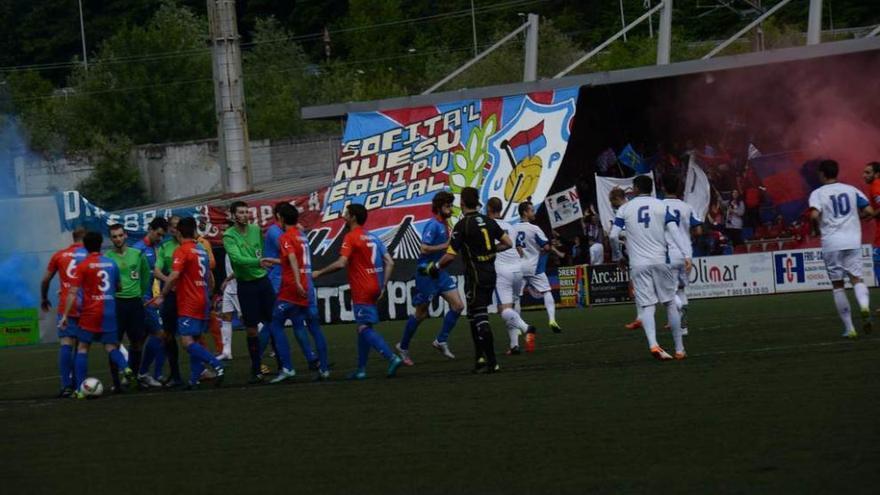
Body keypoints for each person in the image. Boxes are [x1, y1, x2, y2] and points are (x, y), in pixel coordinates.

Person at [313, 204, 403, 379]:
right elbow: (390, 262)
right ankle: (361, 369)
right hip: (375, 286)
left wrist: (319, 272)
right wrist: (383, 286)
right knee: (363, 327)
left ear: (353, 217)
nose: (343, 217)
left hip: (362, 288)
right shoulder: (373, 237)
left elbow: (341, 263)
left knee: (363, 327)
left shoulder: (351, 237)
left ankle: (392, 357)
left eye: (346, 214)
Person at [609, 175, 692, 360]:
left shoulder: (624, 208)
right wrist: (686, 254)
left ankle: (654, 344)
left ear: (636, 189)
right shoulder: (662, 205)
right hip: (661, 260)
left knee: (647, 306)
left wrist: (617, 256)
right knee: (670, 303)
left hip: (638, 264)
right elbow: (674, 231)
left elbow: (613, 235)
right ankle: (679, 349)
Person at [434, 187, 512, 373]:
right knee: (473, 315)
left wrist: (435, 267)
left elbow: (450, 255)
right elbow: (508, 243)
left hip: (475, 276)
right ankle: (479, 358)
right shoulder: (489, 221)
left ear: (462, 204)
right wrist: (492, 251)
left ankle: (492, 362)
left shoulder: (463, 225)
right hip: (490, 274)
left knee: (480, 317)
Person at [151, 217, 225, 388]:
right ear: (193, 231)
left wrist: (162, 294)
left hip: (189, 301)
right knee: (196, 338)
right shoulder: (200, 250)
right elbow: (209, 278)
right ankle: (193, 379)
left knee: (187, 342)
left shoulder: (182, 250)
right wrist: (208, 295)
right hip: (203, 299)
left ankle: (217, 365)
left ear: (178, 231)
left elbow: (174, 276)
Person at [58, 231, 134, 398]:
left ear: (85, 246)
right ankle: (125, 367)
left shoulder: (83, 265)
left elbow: (72, 292)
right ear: (101, 244)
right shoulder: (111, 263)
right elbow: (119, 288)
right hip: (109, 310)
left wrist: (64, 315)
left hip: (90, 312)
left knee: (83, 348)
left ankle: (79, 390)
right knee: (111, 346)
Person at [396, 191, 463, 365]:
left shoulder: (445, 224)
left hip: (439, 272)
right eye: (447, 206)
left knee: (458, 306)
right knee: (421, 313)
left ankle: (441, 340)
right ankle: (403, 347)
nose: (450, 209)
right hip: (426, 273)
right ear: (440, 207)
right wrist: (445, 245)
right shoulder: (432, 225)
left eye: (450, 205)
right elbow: (423, 249)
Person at [809, 160, 873, 337]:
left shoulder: (817, 193)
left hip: (831, 242)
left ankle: (850, 328)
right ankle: (864, 306)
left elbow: (814, 215)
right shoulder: (852, 190)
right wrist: (853, 218)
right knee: (857, 279)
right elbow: (868, 210)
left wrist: (815, 230)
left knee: (838, 285)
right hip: (852, 240)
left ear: (822, 173)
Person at [267, 203, 331, 382]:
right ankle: (324, 368)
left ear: (279, 217)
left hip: (292, 288)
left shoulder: (285, 237)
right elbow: (293, 259)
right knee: (313, 327)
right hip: (308, 286)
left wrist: (296, 281)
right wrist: (273, 260)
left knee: (275, 323)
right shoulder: (302, 236)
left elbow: (293, 259)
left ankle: (287, 367)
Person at [223, 201, 277, 384]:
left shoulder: (256, 230)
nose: (245, 215)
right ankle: (256, 369)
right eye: (241, 212)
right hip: (246, 286)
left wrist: (263, 265)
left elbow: (262, 252)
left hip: (263, 281)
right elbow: (237, 259)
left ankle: (282, 364)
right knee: (252, 329)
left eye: (247, 212)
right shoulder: (228, 235)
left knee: (273, 323)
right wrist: (258, 263)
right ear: (233, 215)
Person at [264, 202, 316, 369]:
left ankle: (310, 358)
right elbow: (290, 256)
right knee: (272, 322)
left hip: (288, 280)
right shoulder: (275, 232)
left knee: (295, 321)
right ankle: (258, 361)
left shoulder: (288, 233)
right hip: (276, 280)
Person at [40, 226, 88, 398]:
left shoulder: (59, 255)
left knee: (66, 344)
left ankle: (66, 385)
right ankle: (79, 384)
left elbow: (45, 279)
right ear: (86, 238)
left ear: (73, 238)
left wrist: (44, 298)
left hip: (66, 305)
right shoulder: (90, 255)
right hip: (86, 305)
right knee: (81, 346)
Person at [486, 197, 536, 354]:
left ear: (489, 208)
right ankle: (514, 345)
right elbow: (517, 248)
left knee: (504, 309)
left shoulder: (488, 226)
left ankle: (526, 328)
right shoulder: (510, 226)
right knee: (514, 304)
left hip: (502, 271)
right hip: (517, 269)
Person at [105, 224, 151, 393]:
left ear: (125, 235)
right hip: (117, 304)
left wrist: (139, 293)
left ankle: (133, 378)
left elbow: (146, 276)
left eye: (120, 235)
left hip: (135, 304)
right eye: (114, 236)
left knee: (137, 343)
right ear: (111, 238)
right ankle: (116, 383)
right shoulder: (108, 257)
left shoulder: (137, 254)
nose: (118, 239)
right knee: (113, 343)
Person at [661, 174, 702, 336]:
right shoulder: (687, 207)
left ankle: (676, 320)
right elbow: (698, 230)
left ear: (663, 187)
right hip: (686, 254)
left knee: (668, 293)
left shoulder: (659, 206)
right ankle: (682, 327)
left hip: (668, 254)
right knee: (681, 290)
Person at [514, 201, 563, 334]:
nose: (533, 213)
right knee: (547, 291)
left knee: (517, 297)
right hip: (533, 267)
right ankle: (552, 319)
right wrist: (545, 250)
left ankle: (519, 327)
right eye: (531, 210)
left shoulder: (513, 228)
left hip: (518, 267)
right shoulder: (534, 228)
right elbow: (546, 247)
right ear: (525, 212)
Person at [131, 217, 168, 387]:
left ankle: (132, 375)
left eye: (162, 235)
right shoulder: (138, 249)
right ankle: (143, 373)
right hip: (144, 301)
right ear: (150, 229)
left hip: (153, 299)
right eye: (158, 234)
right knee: (160, 335)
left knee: (140, 340)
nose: (160, 238)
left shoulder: (157, 248)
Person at [154, 216, 184, 387]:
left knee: (193, 335)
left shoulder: (189, 245)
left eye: (178, 226)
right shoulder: (165, 247)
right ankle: (175, 375)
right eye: (172, 226)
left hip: (187, 294)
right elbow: (157, 270)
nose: (175, 229)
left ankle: (200, 371)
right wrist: (169, 281)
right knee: (168, 335)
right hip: (171, 295)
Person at [862, 161, 880, 288]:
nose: (864, 175)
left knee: (878, 263)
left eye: (868, 172)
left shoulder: (876, 186)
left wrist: (870, 216)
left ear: (877, 174)